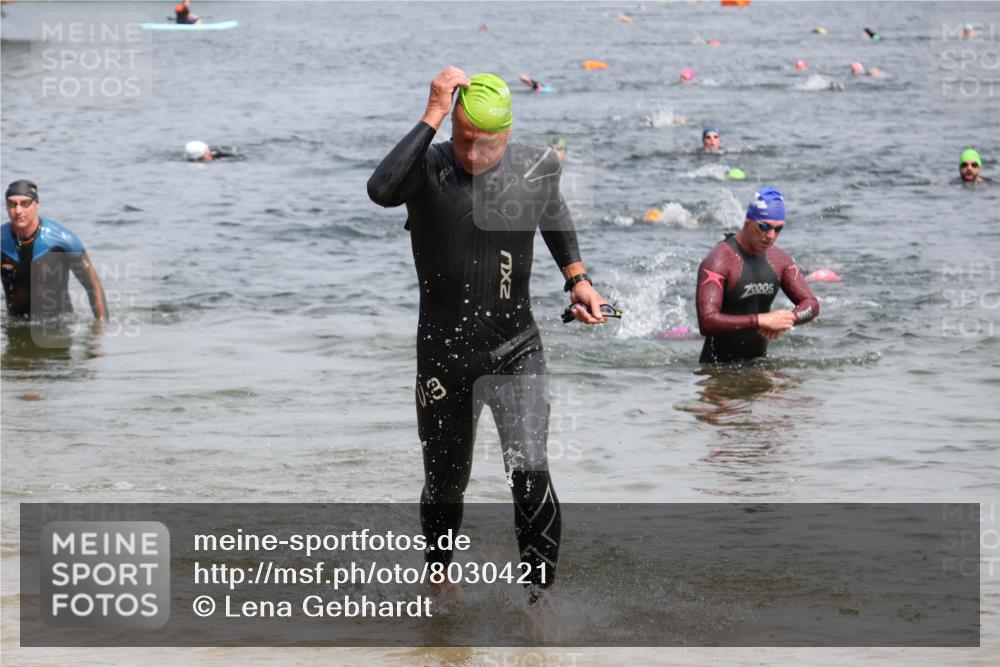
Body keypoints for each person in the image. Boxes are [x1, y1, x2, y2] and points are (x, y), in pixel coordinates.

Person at [367, 67, 609, 610]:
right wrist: (432, 112)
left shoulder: (537, 165)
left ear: (508, 134)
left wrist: (578, 280)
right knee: (445, 487)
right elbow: (380, 190)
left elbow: (554, 214)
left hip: (515, 347)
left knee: (529, 469)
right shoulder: (427, 166)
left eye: (486, 144)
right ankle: (438, 578)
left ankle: (539, 602)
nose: (473, 154)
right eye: (464, 138)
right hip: (443, 355)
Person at [696, 187, 819, 364]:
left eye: (778, 229)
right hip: (718, 371)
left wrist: (788, 319)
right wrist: (760, 320)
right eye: (764, 227)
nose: (770, 236)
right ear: (748, 220)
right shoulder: (720, 260)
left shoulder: (779, 259)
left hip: (757, 366)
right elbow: (706, 322)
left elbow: (812, 304)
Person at [2, 180, 108, 322]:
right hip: (17, 326)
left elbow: (92, 285)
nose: (18, 210)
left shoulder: (63, 240)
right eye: (12, 204)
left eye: (25, 203)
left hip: (58, 326)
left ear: (36, 204)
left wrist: (99, 331)